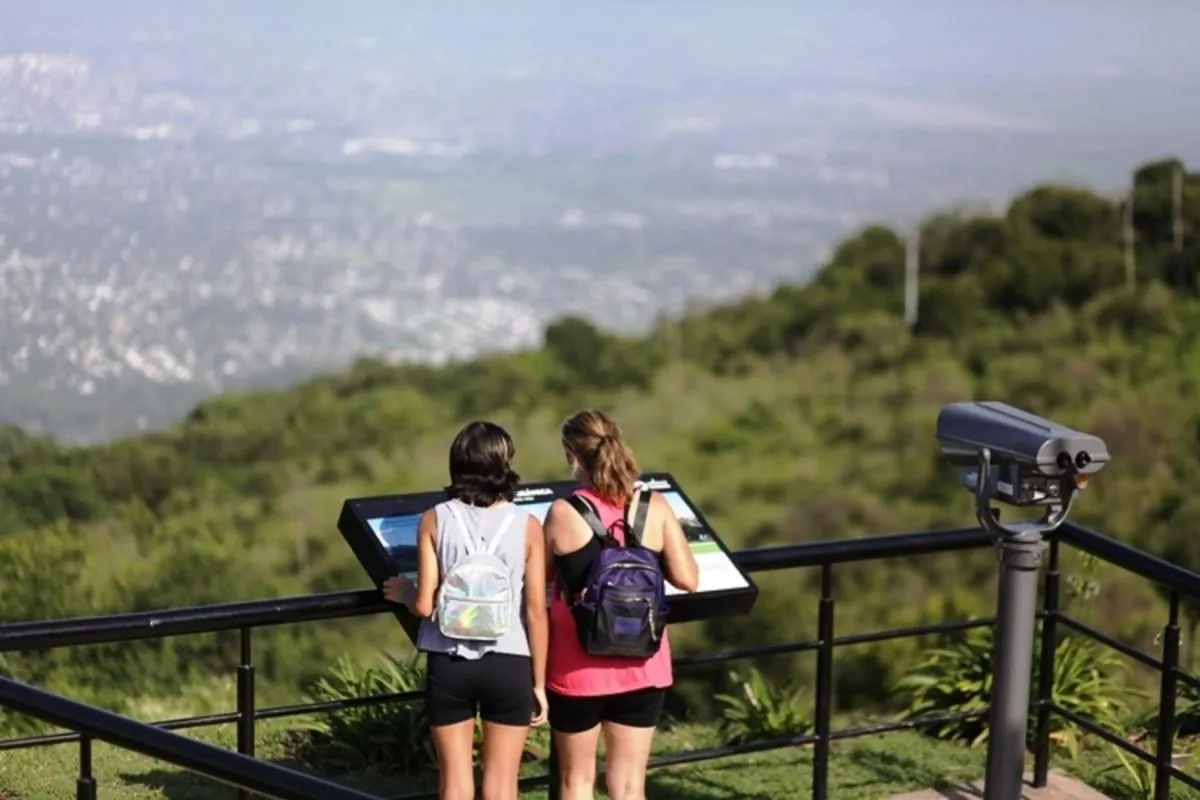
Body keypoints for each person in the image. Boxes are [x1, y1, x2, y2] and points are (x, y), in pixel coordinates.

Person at [383, 420, 548, 800]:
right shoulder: (528, 525)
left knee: (455, 784)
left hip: (449, 661)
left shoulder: (434, 518)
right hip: (509, 661)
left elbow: (425, 605)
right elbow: (536, 611)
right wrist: (538, 683)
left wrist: (405, 593)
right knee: (502, 784)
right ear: (504, 464)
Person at [543, 409, 700, 800]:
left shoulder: (564, 512)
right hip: (644, 662)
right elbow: (688, 579)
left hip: (577, 666)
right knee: (630, 786)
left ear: (571, 455)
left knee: (575, 782)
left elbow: (537, 583)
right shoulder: (655, 506)